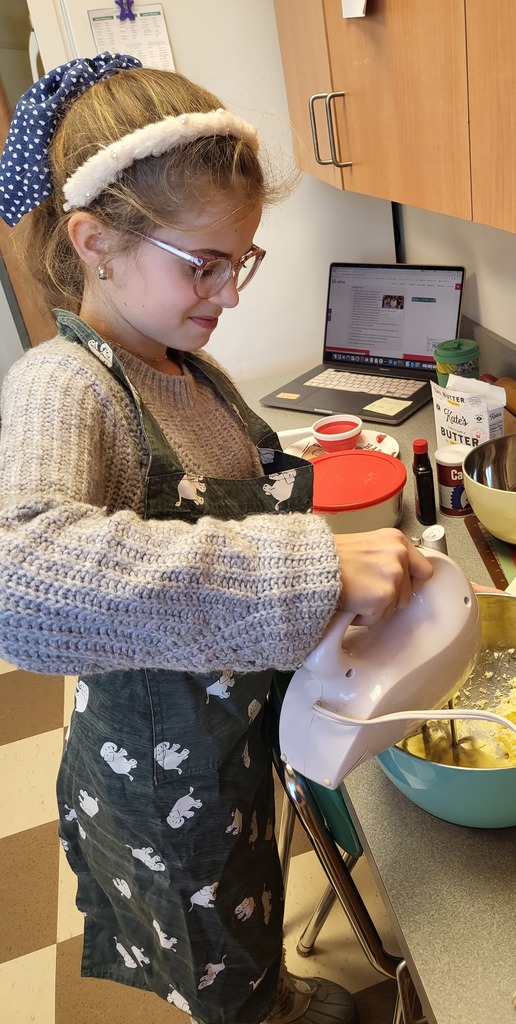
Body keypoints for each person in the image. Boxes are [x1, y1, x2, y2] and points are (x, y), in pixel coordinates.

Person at [0, 53, 433, 1024]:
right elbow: (21, 588)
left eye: (244, 260)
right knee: (214, 961)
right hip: (161, 784)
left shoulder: (183, 367)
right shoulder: (67, 390)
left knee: (251, 915)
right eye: (205, 263)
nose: (230, 293)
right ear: (95, 242)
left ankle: (271, 993)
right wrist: (312, 569)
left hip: (232, 738)